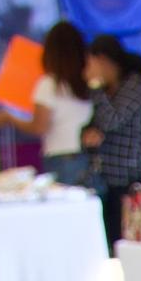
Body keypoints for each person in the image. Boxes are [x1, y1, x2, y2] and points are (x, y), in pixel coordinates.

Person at [81, 33, 141, 246]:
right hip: (104, 178)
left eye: (90, 63)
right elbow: (94, 123)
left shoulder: (135, 85)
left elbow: (111, 120)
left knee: (128, 240)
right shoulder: (104, 92)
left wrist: (95, 87)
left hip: (130, 178)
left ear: (103, 60)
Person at [33, 18, 96, 189]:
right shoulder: (89, 84)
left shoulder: (48, 84)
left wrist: (11, 119)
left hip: (61, 158)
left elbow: (39, 127)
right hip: (89, 158)